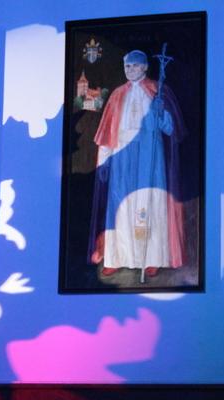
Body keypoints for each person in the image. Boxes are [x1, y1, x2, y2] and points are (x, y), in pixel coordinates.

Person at [88, 50, 186, 281]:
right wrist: (103, 161)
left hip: (149, 155)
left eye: (134, 66)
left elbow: (169, 129)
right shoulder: (117, 95)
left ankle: (151, 258)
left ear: (144, 67)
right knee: (120, 204)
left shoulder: (156, 91)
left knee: (148, 203)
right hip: (122, 155)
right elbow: (107, 132)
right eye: (127, 66)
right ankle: (117, 258)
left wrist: (161, 113)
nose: (130, 70)